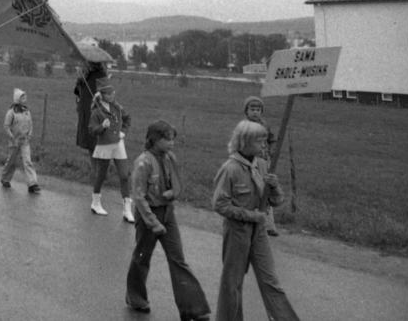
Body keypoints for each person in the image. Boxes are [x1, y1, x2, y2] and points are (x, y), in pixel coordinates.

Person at [212, 120, 299, 321]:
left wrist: (275, 187)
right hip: (237, 231)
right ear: (245, 142)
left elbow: (275, 201)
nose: (264, 146)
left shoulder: (262, 165)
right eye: (260, 142)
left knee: (271, 282)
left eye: (265, 142)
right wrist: (251, 215)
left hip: (259, 232)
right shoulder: (230, 169)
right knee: (232, 285)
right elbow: (220, 205)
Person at [125, 121, 212, 319]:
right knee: (142, 257)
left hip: (167, 213)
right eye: (167, 139)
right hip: (148, 215)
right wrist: (153, 222)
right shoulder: (143, 162)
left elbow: (178, 181)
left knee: (178, 259)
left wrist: (174, 193)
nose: (171, 143)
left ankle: (193, 309)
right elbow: (138, 196)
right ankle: (136, 298)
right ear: (154, 139)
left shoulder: (170, 158)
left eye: (173, 139)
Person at [88, 84, 134, 222]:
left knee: (124, 176)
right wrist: (102, 127)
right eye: (108, 93)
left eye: (113, 92)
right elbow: (91, 130)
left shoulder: (117, 107)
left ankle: (127, 209)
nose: (112, 95)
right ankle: (96, 203)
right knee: (101, 175)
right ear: (102, 95)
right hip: (105, 145)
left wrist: (123, 132)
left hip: (118, 144)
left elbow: (128, 119)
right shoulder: (97, 111)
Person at [243, 96, 281, 237]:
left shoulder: (265, 125)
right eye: (252, 109)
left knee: (266, 189)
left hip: (264, 161)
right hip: (250, 161)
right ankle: (254, 219)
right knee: (253, 189)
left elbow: (273, 140)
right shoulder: (244, 126)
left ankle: (269, 224)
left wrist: (271, 152)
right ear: (246, 111)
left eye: (258, 109)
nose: (255, 112)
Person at [0, 88, 40, 193]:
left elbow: (30, 124)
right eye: (22, 97)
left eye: (25, 97)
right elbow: (6, 126)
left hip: (25, 141)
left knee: (27, 161)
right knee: (11, 161)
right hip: (15, 141)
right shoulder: (11, 112)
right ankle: (5, 178)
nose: (25, 99)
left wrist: (30, 134)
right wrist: (12, 137)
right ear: (17, 99)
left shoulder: (27, 111)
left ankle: (32, 184)